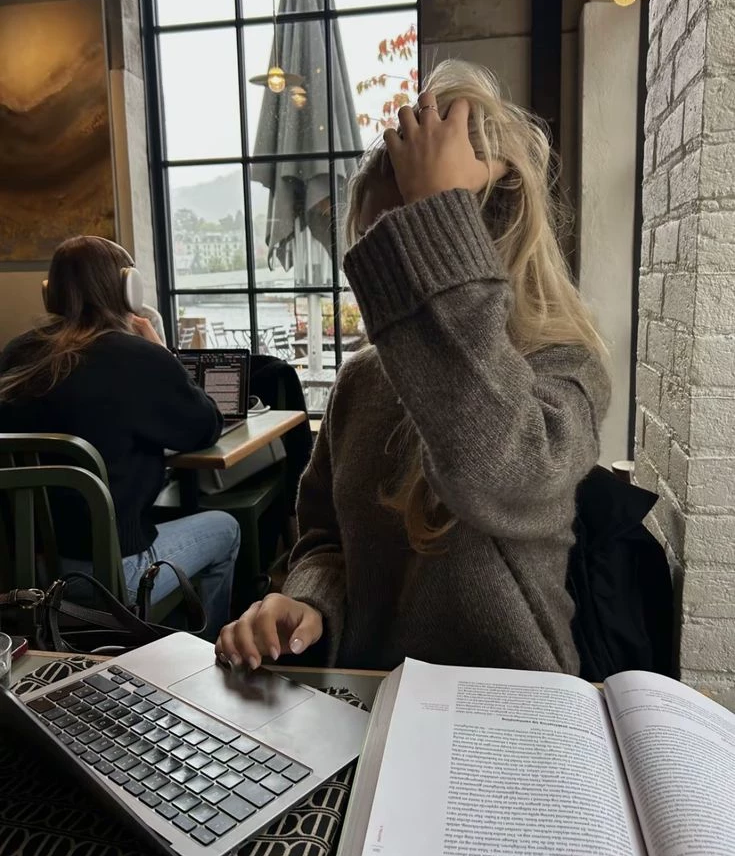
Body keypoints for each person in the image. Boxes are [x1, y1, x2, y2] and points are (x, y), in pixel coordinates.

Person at [217, 59, 610, 673]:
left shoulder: (567, 371)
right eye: (382, 257)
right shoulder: (360, 381)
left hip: (512, 702)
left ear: (477, 246)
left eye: (419, 248)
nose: (393, 290)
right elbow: (325, 538)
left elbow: (499, 474)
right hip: (367, 693)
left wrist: (435, 217)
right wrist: (306, 601)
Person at [0, 236, 239, 639]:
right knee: (226, 528)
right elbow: (205, 427)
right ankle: (205, 654)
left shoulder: (15, 353)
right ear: (131, 289)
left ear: (50, 291)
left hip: (23, 574)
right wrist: (163, 352)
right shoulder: (138, 357)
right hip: (111, 576)